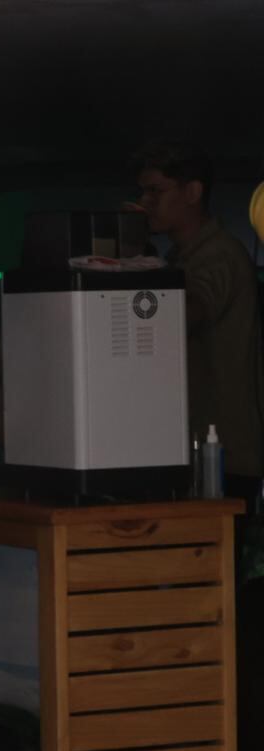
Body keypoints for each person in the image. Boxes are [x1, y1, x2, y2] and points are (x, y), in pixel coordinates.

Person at [134, 140, 264, 494]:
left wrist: (129, 270)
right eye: (143, 192)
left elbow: (187, 314)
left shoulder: (219, 255)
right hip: (198, 456)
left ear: (192, 191)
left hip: (223, 461)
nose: (146, 201)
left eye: (155, 190)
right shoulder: (181, 259)